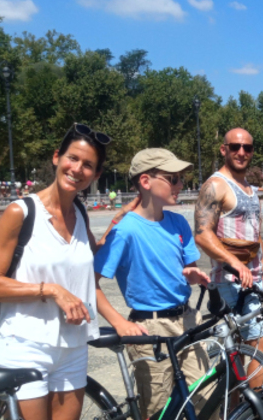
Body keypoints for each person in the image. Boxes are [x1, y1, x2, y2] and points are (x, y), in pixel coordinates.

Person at [0, 123, 111, 418]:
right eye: (72, 158)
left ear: (97, 174)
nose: (77, 169)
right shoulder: (21, 212)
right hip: (25, 343)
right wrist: (51, 290)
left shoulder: (80, 213)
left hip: (73, 345)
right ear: (56, 157)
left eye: (88, 165)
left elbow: (87, 261)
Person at [94, 148, 214, 416]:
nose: (180, 185)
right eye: (173, 178)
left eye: (181, 178)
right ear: (146, 181)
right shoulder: (125, 231)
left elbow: (188, 267)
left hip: (187, 321)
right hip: (151, 329)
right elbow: (91, 283)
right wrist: (120, 323)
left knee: (207, 401)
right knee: (158, 410)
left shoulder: (178, 222)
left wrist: (192, 274)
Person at [195, 128, 263, 374]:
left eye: (247, 148)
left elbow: (255, 232)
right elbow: (202, 234)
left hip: (252, 280)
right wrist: (236, 264)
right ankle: (259, 400)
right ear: (224, 150)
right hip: (230, 281)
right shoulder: (216, 185)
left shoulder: (249, 188)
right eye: (235, 147)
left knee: (238, 355)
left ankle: (238, 399)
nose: (241, 152)